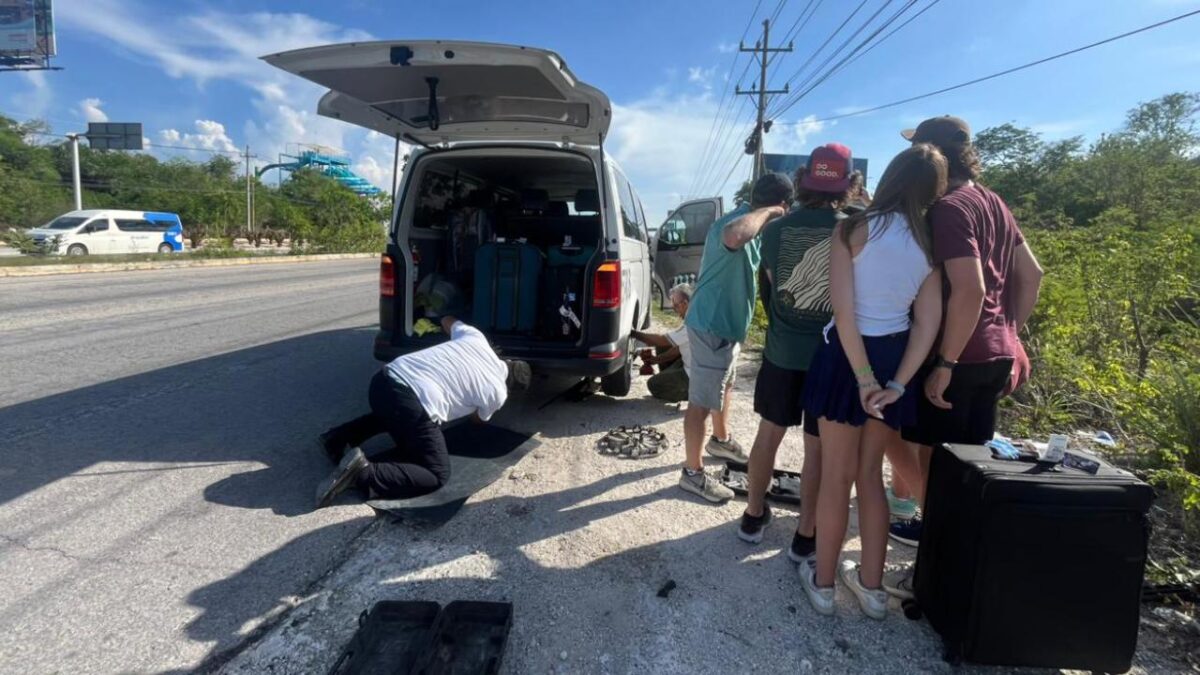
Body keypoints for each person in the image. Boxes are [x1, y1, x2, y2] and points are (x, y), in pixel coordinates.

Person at [798, 144, 948, 619]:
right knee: (872, 476)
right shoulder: (929, 244)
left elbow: (844, 312)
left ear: (888, 178)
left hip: (846, 357)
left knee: (836, 477)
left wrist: (861, 377)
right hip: (893, 356)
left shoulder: (852, 229)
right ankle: (872, 590)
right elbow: (926, 323)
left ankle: (822, 586)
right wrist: (898, 383)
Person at [887, 116, 1045, 551]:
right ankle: (961, 545)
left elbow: (970, 288)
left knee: (931, 459)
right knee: (970, 462)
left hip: (959, 357)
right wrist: (1008, 335)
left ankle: (942, 544)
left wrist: (946, 362)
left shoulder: (949, 210)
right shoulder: (993, 202)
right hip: (994, 355)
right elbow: (1031, 275)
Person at [737, 144, 854, 565]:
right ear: (848, 184)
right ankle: (805, 536)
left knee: (769, 433)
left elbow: (772, 287)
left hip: (783, 350)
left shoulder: (774, 230)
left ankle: (753, 515)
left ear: (803, 182)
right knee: (816, 449)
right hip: (832, 357)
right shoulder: (856, 229)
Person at [314, 316, 532, 508]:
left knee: (397, 413)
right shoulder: (499, 392)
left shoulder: (477, 339)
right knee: (436, 474)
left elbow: (448, 320)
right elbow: (477, 420)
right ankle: (360, 473)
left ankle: (336, 439)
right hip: (408, 405)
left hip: (382, 382)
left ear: (507, 362)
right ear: (511, 386)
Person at [678, 172, 794, 503]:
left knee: (724, 385)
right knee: (700, 402)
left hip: (727, 327)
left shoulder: (755, 227)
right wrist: (772, 212)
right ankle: (692, 473)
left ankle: (720, 440)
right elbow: (733, 237)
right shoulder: (736, 224)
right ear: (780, 205)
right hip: (711, 326)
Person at [633, 283, 694, 403]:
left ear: (685, 304)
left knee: (653, 384)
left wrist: (633, 333)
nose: (675, 310)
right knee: (664, 346)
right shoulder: (694, 314)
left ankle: (693, 394)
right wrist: (656, 360)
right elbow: (677, 347)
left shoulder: (692, 323)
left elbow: (661, 339)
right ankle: (670, 378)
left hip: (695, 375)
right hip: (694, 365)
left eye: (676, 306)